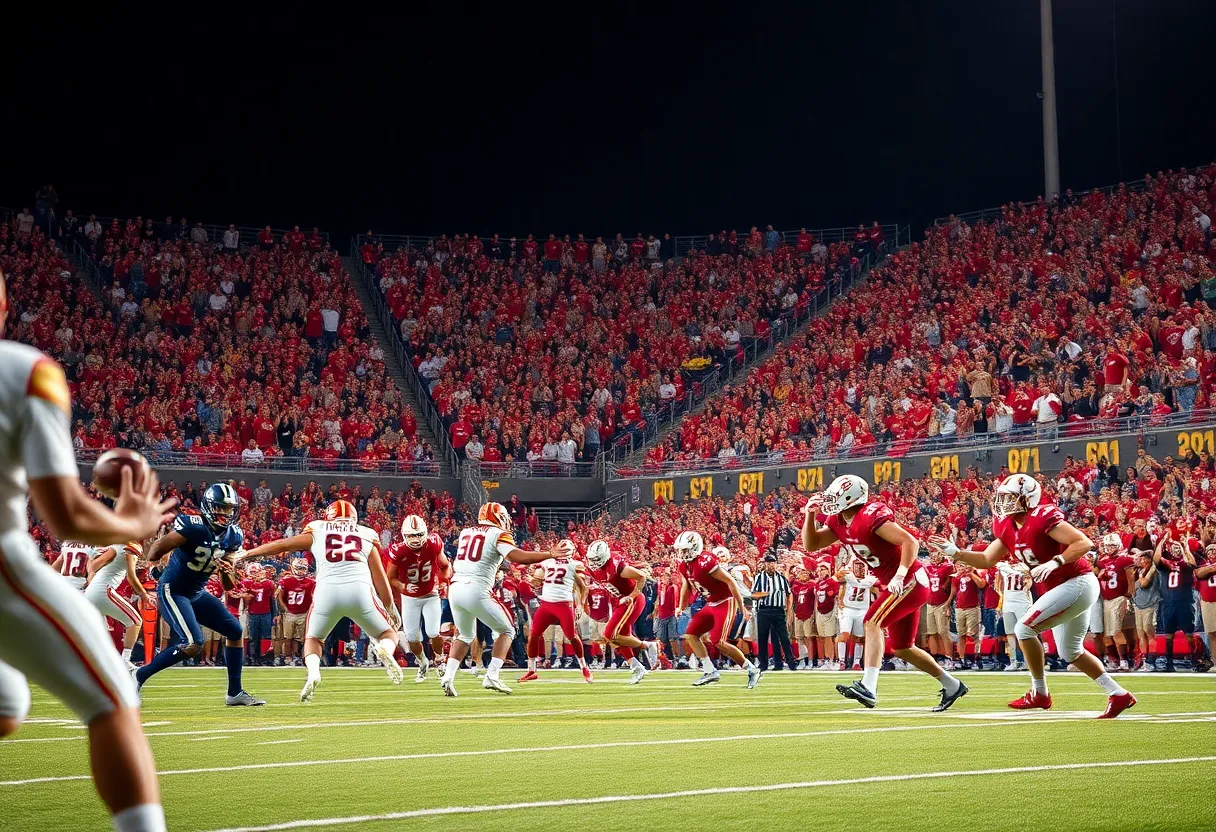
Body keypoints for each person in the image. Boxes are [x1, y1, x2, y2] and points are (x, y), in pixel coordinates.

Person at [0, 264, 176, 832]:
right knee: (114, 697)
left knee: (7, 704)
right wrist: (132, 521)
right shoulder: (24, 372)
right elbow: (67, 518)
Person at [929, 473, 1136, 718]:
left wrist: (1057, 561)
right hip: (1062, 588)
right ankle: (1118, 693)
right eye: (1002, 497)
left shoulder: (1042, 517)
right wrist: (956, 552)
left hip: (1077, 581)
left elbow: (1083, 543)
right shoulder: (1006, 527)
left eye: (1009, 497)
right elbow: (986, 559)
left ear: (1026, 499)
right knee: (1070, 651)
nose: (1002, 502)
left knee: (1024, 629)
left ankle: (1040, 692)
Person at [803, 474, 965, 711]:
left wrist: (900, 574)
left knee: (871, 622)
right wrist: (810, 515)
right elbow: (812, 544)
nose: (830, 500)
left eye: (836, 495)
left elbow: (910, 542)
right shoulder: (838, 521)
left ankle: (869, 687)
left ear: (850, 497)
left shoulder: (870, 515)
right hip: (897, 582)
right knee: (902, 646)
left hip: (909, 579)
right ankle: (952, 685)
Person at [236, 500, 403, 700]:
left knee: (313, 639)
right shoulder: (365, 534)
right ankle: (384, 649)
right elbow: (381, 580)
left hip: (326, 591)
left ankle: (314, 673)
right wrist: (391, 608)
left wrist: (247, 554)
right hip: (359, 590)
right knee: (388, 633)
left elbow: (283, 544)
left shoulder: (318, 529)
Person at [138, 483, 266, 706]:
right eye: (221, 508)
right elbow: (156, 550)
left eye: (229, 509)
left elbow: (228, 586)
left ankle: (234, 693)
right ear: (208, 507)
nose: (226, 514)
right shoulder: (194, 526)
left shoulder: (233, 535)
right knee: (192, 643)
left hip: (196, 593)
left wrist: (226, 571)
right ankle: (137, 676)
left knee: (235, 631)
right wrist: (160, 560)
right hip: (173, 590)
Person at [440, 502, 566, 696]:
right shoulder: (498, 534)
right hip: (476, 588)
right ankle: (492, 675)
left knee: (464, 635)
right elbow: (517, 556)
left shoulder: (466, 532)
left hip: (455, 588)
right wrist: (548, 554)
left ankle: (448, 676)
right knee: (508, 629)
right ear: (498, 517)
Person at [673, 531, 762, 689]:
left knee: (718, 641)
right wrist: (681, 605)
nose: (683, 553)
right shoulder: (684, 565)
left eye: (686, 549)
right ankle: (710, 671)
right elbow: (687, 584)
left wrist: (741, 606)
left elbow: (730, 581)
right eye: (681, 550)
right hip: (711, 603)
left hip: (724, 601)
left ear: (695, 547)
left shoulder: (705, 561)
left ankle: (751, 669)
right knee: (691, 634)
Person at [385, 515, 450, 682]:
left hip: (430, 594)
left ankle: (440, 660)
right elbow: (390, 577)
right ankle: (422, 663)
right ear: (404, 535)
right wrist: (403, 586)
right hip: (410, 597)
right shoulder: (398, 550)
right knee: (412, 637)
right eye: (411, 535)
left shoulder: (434, 543)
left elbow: (445, 565)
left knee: (433, 632)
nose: (415, 539)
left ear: (425, 533)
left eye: (419, 534)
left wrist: (443, 580)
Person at [586, 540, 661, 684]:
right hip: (617, 602)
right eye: (591, 559)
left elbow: (641, 577)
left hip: (631, 600)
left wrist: (631, 596)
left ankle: (648, 645)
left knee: (610, 634)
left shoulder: (617, 566)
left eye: (596, 559)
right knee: (620, 637)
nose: (593, 563)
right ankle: (636, 667)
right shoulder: (591, 568)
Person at [519, 542, 593, 683]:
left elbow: (583, 587)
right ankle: (531, 670)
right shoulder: (550, 562)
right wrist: (535, 582)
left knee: (572, 636)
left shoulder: (573, 565)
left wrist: (581, 605)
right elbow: (537, 580)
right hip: (547, 604)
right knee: (533, 635)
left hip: (563, 605)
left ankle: (584, 667)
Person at [84, 542, 152, 668]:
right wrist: (143, 594)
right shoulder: (130, 547)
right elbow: (131, 577)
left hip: (91, 591)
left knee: (99, 633)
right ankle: (125, 661)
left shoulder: (116, 546)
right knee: (135, 621)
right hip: (104, 591)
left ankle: (92, 663)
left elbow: (93, 566)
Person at [751, 553, 796, 672]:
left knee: (783, 637)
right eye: (769, 562)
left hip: (778, 610)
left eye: (773, 562)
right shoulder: (759, 577)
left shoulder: (781, 578)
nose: (771, 565)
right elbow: (753, 595)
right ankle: (763, 664)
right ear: (765, 564)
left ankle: (789, 663)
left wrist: (789, 607)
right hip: (764, 609)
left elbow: (788, 593)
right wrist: (765, 594)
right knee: (763, 637)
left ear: (776, 564)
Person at [836, 558, 877, 671]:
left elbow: (879, 587)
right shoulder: (848, 575)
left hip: (862, 609)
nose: (860, 569)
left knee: (860, 638)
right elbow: (837, 578)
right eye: (857, 566)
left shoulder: (870, 578)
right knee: (844, 635)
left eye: (862, 566)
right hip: (848, 608)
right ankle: (841, 661)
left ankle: (856, 662)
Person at [275, 558, 315, 665]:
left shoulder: (311, 582)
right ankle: (288, 656)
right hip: (289, 612)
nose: (301, 571)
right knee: (288, 637)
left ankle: (296, 656)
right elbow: (279, 597)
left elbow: (315, 598)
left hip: (303, 612)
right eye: (299, 568)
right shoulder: (286, 581)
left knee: (299, 638)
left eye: (303, 569)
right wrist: (284, 609)